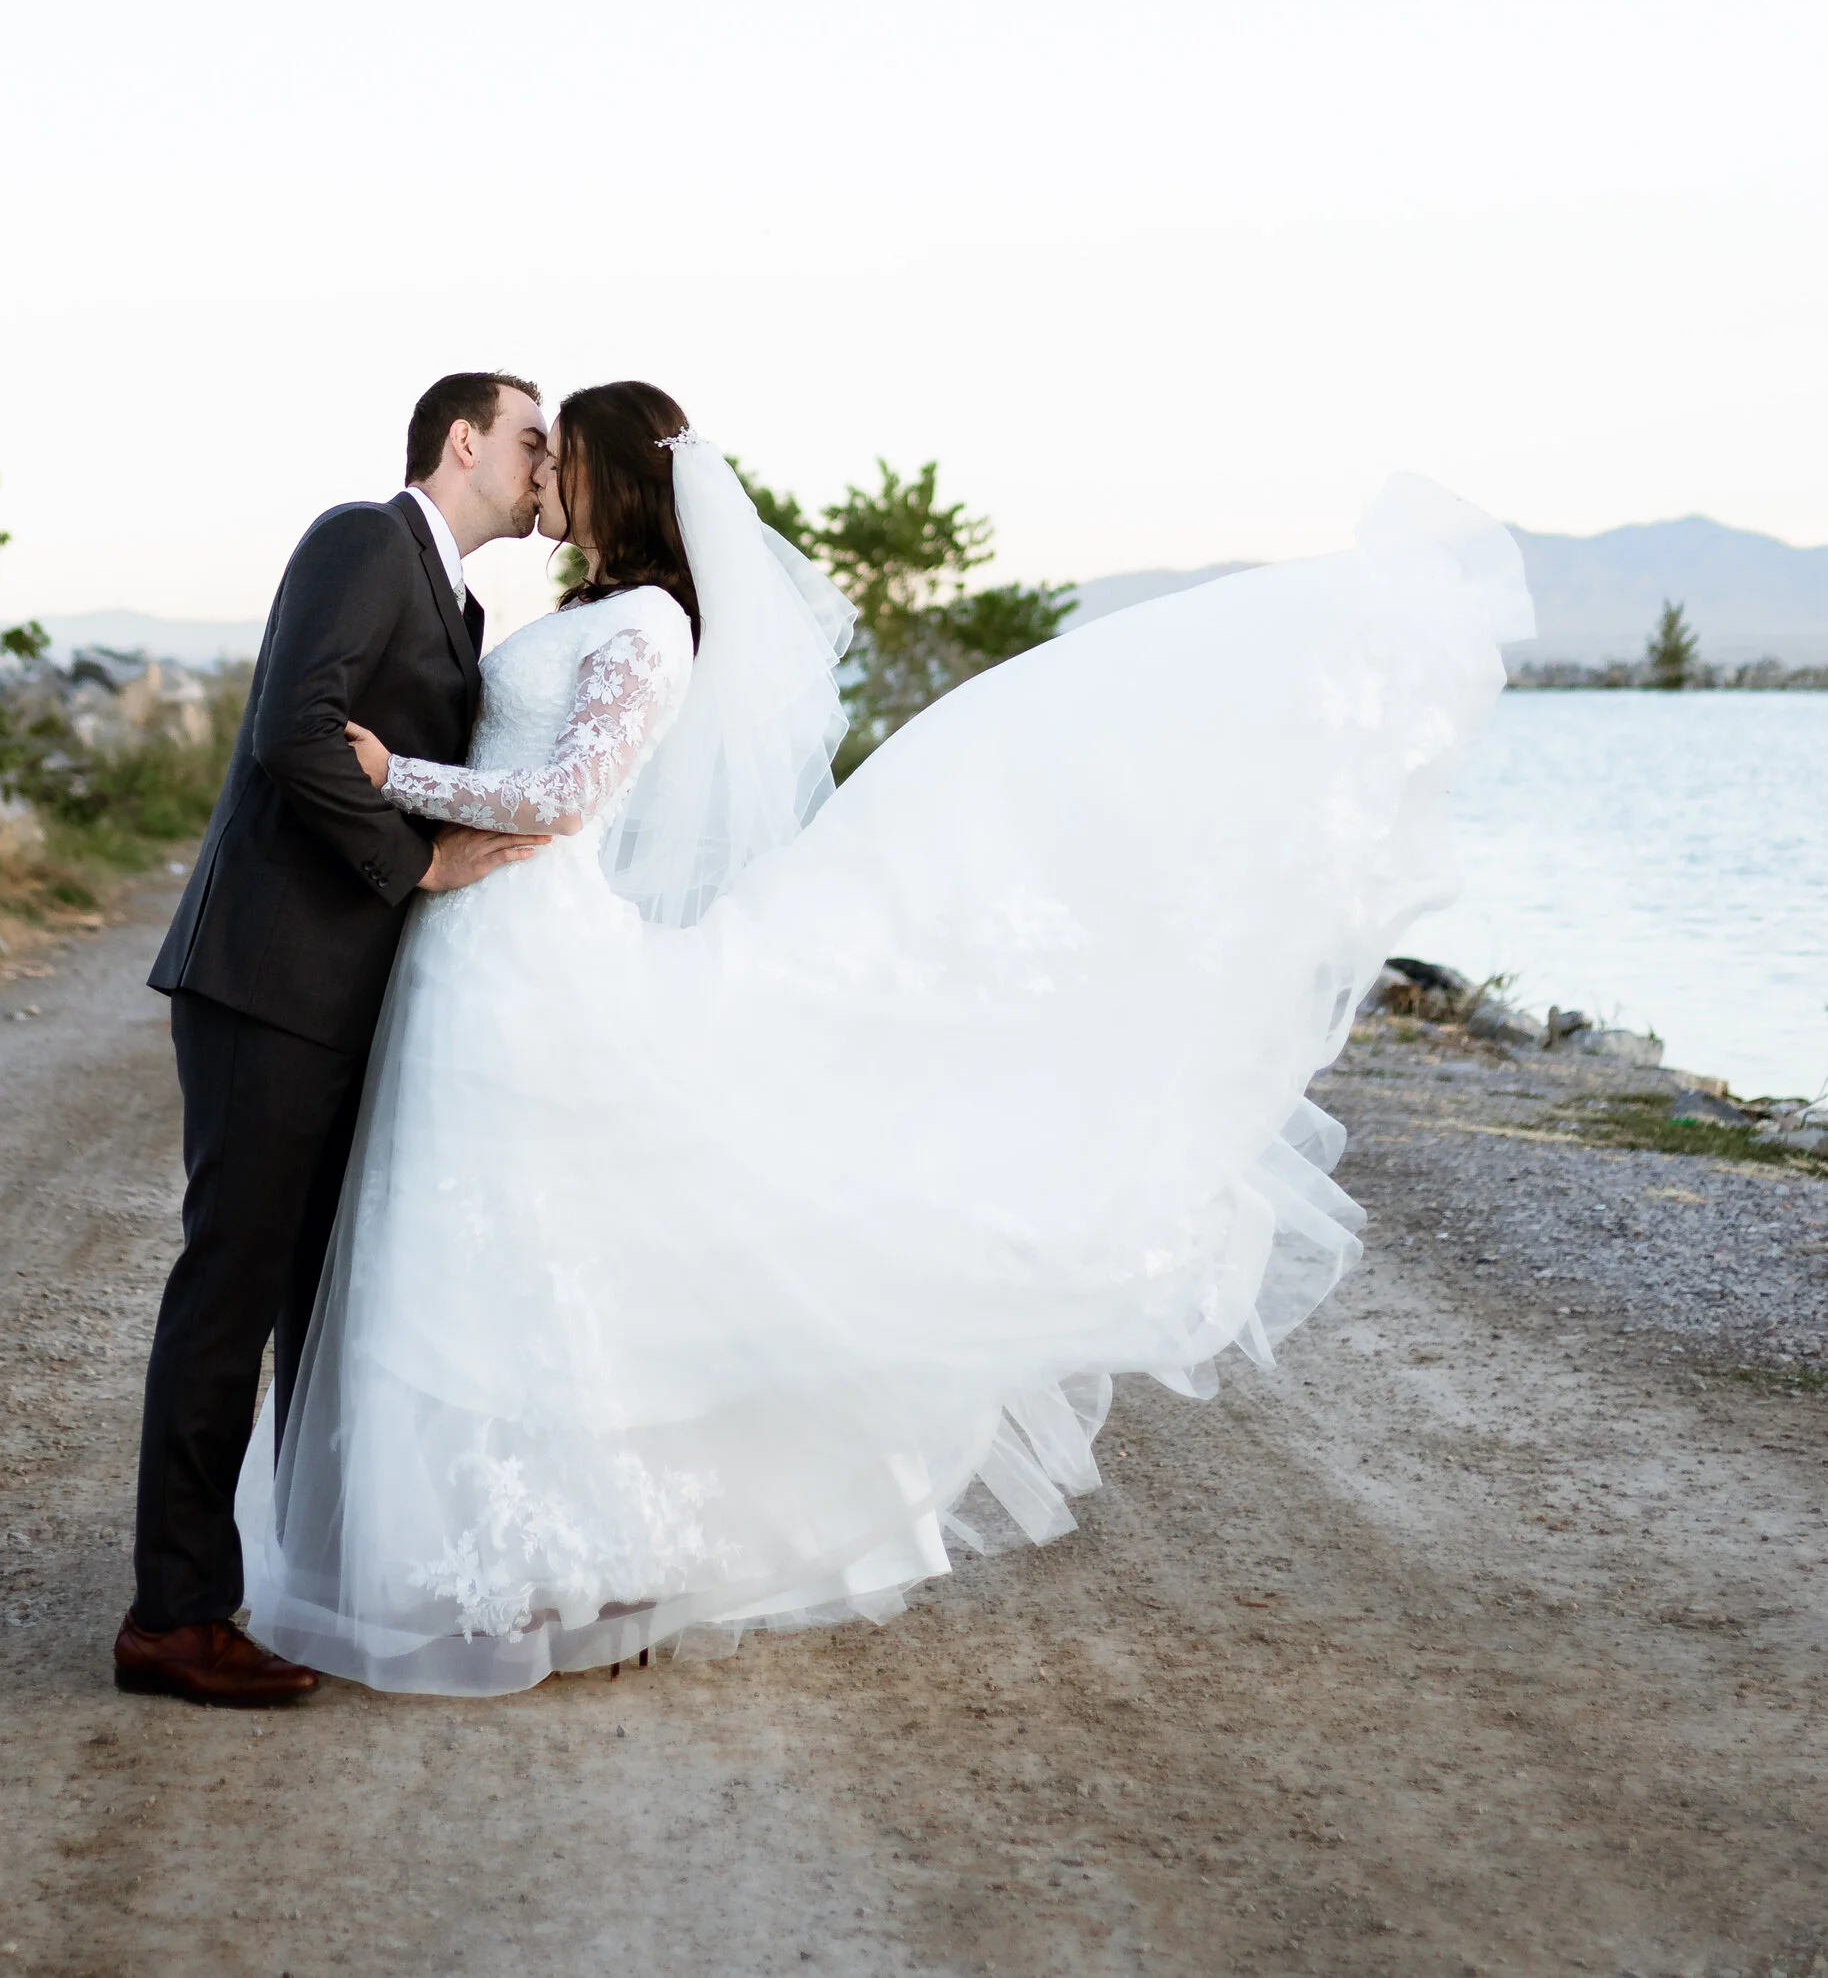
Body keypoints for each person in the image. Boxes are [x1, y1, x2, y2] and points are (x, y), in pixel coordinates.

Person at [233, 382, 1531, 1694]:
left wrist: (396, 778)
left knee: (531, 1244)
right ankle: (476, 1549)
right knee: (472, 1247)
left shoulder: (652, 626)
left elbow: (570, 794)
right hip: (471, 951)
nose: (543, 474)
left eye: (560, 455)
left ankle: (580, 1561)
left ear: (614, 476)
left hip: (527, 952)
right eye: (536, 449)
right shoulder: (578, 610)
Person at [114, 369, 551, 1706]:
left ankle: (282, 1584)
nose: (546, 465)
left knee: (312, 1295)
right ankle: (172, 1618)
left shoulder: (459, 602)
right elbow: (292, 732)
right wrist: (417, 867)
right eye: (531, 439)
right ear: (463, 441)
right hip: (268, 979)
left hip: (337, 995)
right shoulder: (363, 539)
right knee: (230, 1289)